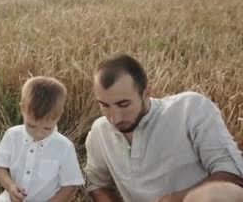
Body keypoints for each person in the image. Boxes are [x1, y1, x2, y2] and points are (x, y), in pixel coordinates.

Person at [84, 53, 243, 202]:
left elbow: (232, 173)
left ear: (146, 93)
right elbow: (97, 184)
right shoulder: (100, 132)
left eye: (123, 104)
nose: (114, 118)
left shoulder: (190, 109)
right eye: (104, 105)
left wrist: (175, 199)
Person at [0, 76, 84, 202]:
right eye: (31, 125)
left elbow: (70, 186)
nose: (39, 133)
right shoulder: (12, 135)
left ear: (59, 116)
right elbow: (1, 168)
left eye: (47, 128)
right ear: (22, 108)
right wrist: (11, 187)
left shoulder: (64, 147)